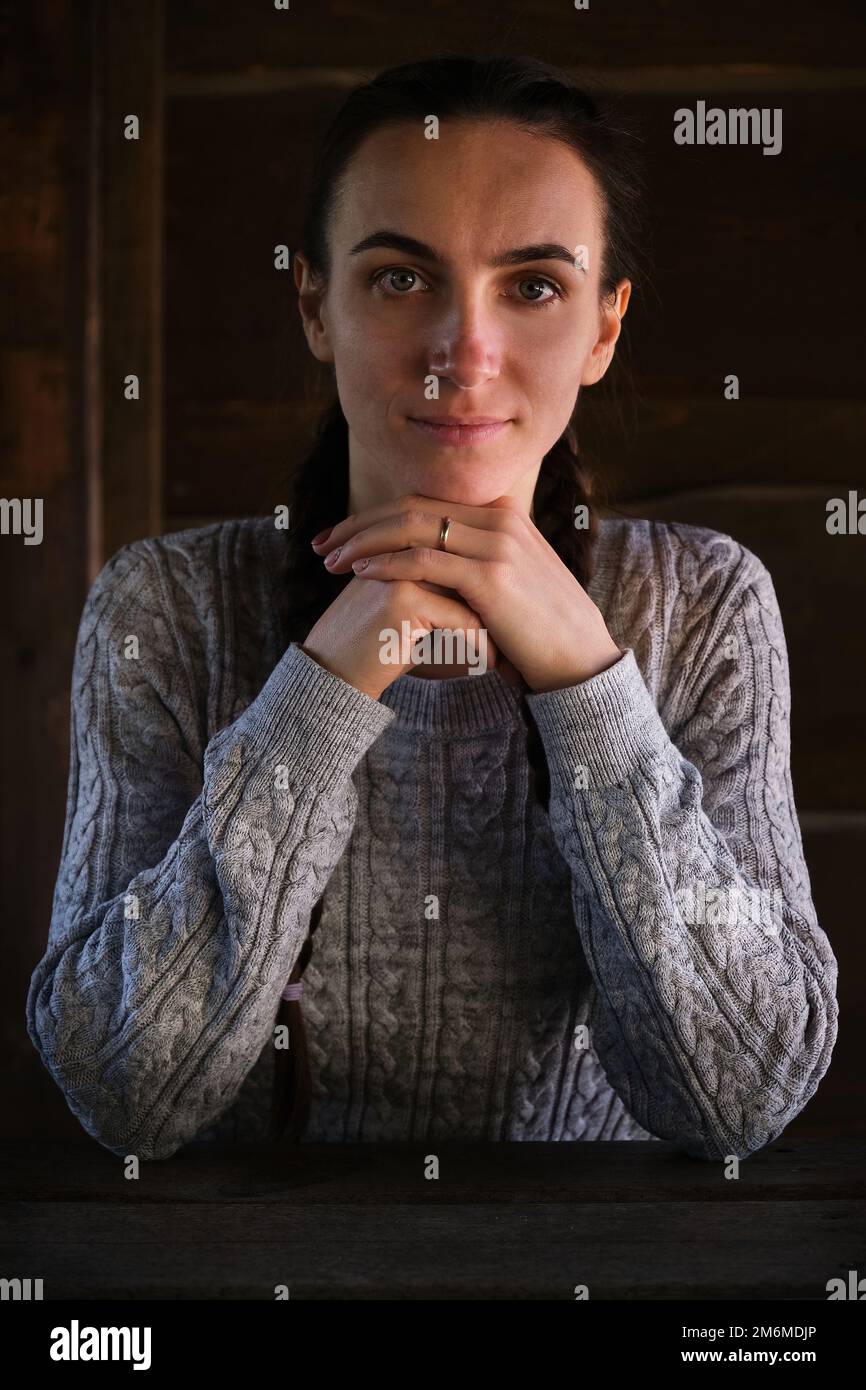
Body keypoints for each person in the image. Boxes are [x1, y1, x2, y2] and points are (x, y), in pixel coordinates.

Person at [27, 56, 837, 1163]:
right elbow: (116, 1087)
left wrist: (588, 687)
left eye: (533, 285)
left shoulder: (700, 608)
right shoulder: (165, 611)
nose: (464, 352)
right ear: (315, 306)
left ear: (604, 329)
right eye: (401, 278)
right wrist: (314, 700)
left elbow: (741, 1094)